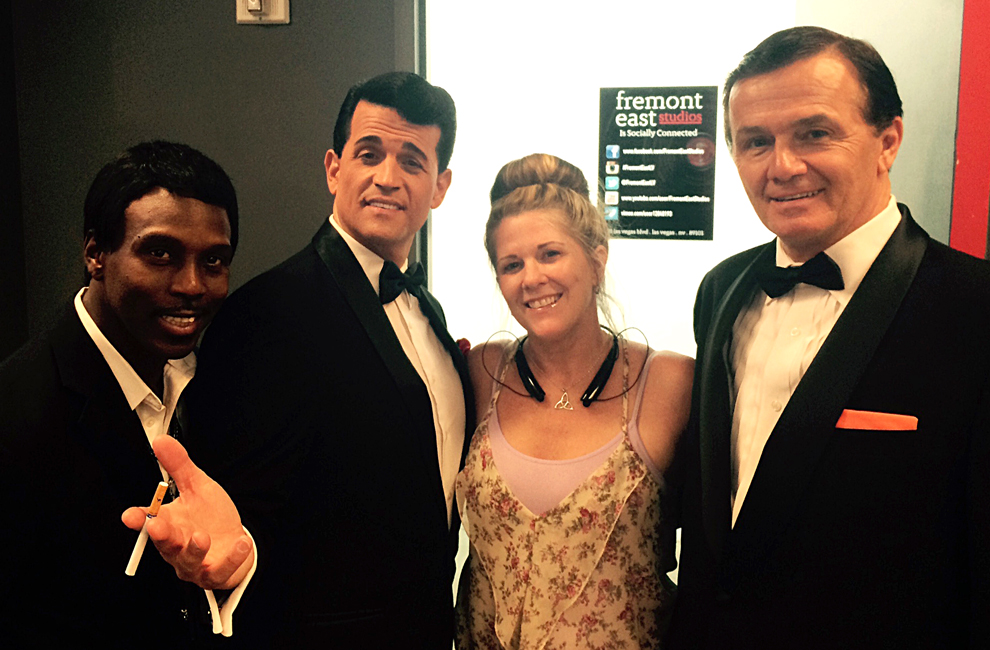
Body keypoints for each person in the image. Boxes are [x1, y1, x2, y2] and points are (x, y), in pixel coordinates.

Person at [668, 26, 990, 649]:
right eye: (755, 142)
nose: (782, 166)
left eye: (814, 133)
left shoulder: (973, 310)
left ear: (887, 140)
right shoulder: (721, 290)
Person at [184, 71, 473, 648]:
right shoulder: (267, 313)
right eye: (369, 153)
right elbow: (239, 521)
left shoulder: (429, 311)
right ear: (334, 169)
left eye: (412, 161)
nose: (387, 177)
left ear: (439, 186)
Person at [0, 141, 244, 646]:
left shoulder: (216, 376)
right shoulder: (18, 412)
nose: (192, 285)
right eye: (160, 253)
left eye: (214, 260)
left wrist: (236, 562)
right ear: (96, 254)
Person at [455, 153, 693, 649]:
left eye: (550, 254)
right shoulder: (482, 372)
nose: (531, 278)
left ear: (597, 260)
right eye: (512, 265)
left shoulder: (668, 382)